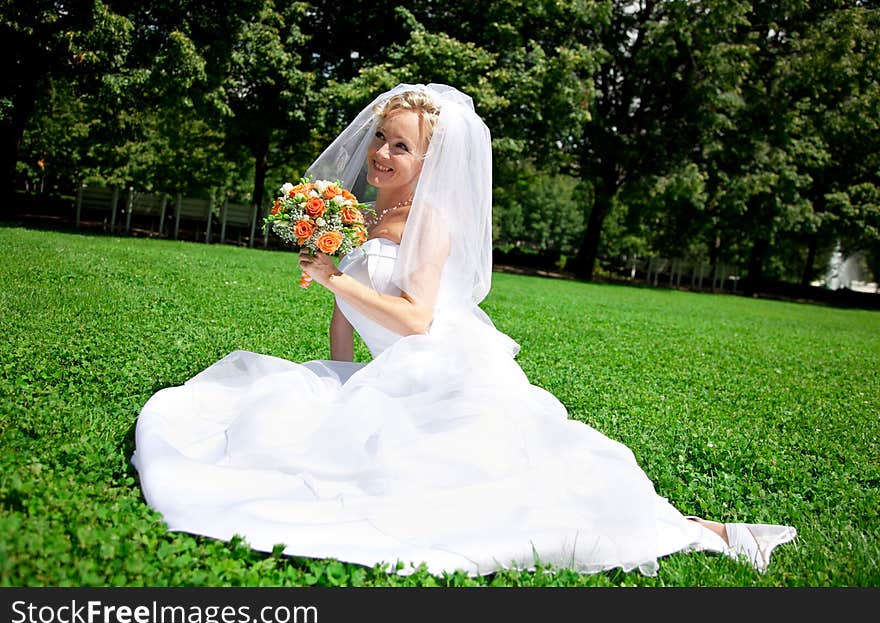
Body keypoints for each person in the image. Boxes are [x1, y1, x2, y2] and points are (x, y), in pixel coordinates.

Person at [133, 83, 796, 577]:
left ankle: (705, 530)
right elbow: (348, 313)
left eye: (402, 145)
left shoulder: (432, 221)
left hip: (441, 367)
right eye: (380, 138)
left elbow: (417, 317)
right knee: (284, 421)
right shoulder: (360, 216)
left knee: (515, 487)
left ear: (428, 160)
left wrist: (336, 277)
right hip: (390, 372)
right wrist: (337, 377)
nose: (383, 153)